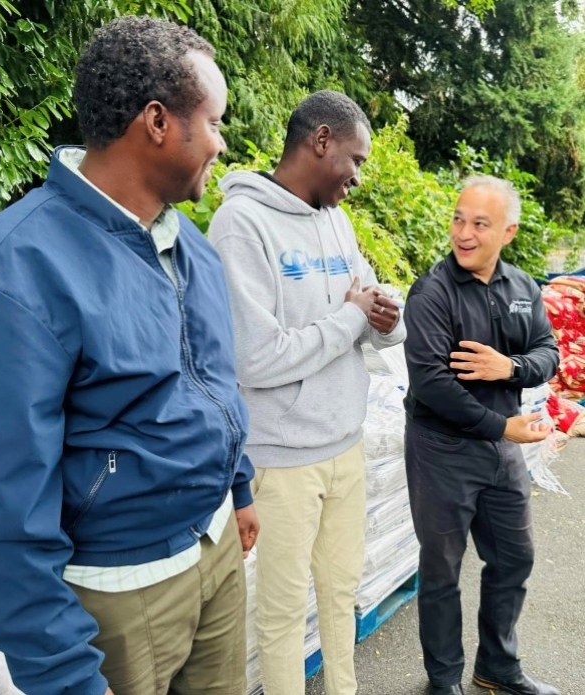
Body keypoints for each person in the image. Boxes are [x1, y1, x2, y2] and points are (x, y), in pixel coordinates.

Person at [0, 16, 258, 695]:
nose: (223, 143)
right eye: (215, 121)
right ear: (158, 122)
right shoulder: (17, 266)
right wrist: (64, 673)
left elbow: (212, 380)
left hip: (216, 550)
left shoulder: (189, 244)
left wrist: (239, 485)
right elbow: (3, 502)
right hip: (120, 593)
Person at [208, 90, 406, 695]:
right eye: (356, 159)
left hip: (343, 446)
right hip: (284, 459)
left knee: (341, 594)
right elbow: (254, 357)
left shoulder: (337, 220)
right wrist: (349, 318)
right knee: (284, 613)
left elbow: (366, 302)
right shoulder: (241, 224)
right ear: (321, 141)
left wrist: (384, 317)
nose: (358, 177)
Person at [403, 175, 560, 695]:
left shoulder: (522, 288)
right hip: (443, 448)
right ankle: (443, 680)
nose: (463, 233)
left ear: (508, 232)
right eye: (458, 219)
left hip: (503, 448)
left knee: (514, 558)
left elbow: (548, 352)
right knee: (443, 570)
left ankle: (497, 667)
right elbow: (432, 384)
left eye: (479, 223)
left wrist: (508, 368)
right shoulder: (432, 292)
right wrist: (503, 426)